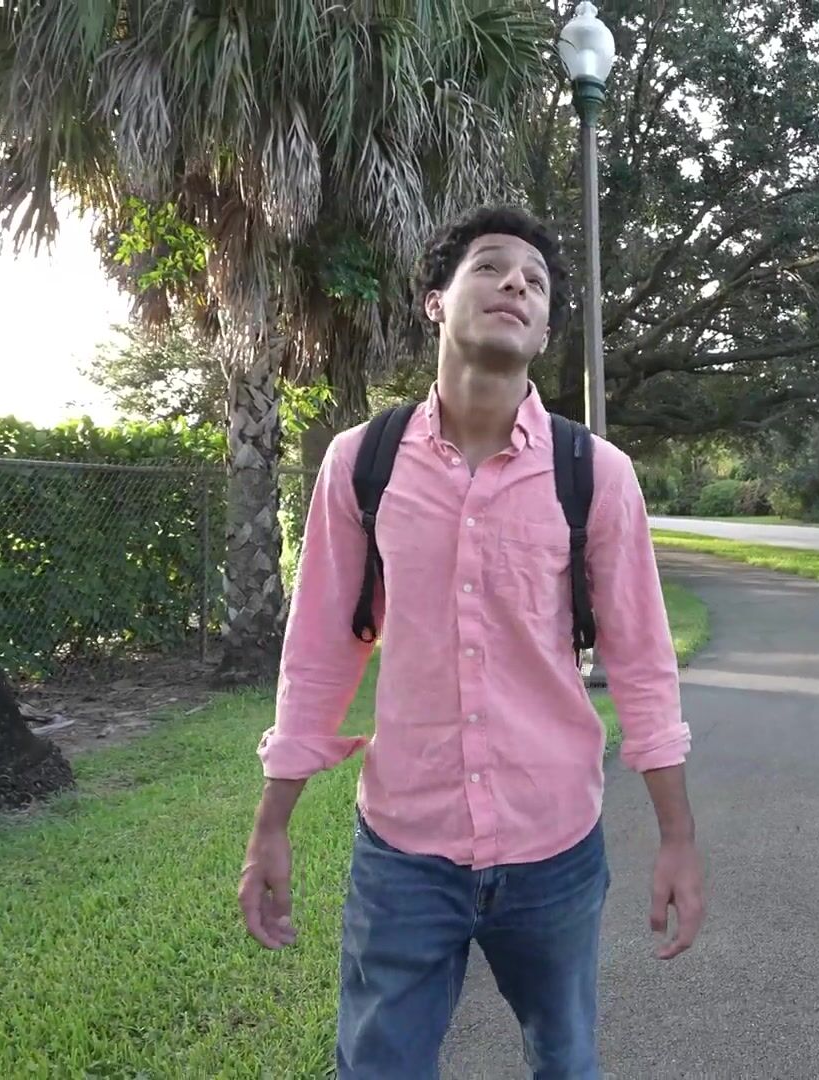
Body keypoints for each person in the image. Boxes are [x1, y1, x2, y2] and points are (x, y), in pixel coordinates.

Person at [237, 205, 705, 1079]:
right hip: (405, 849)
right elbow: (320, 654)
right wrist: (272, 825)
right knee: (378, 1067)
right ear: (435, 301)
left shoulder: (596, 474)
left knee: (566, 1061)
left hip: (555, 845)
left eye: (536, 281)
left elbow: (643, 666)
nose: (516, 283)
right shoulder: (361, 462)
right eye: (490, 266)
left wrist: (676, 837)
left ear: (545, 330)